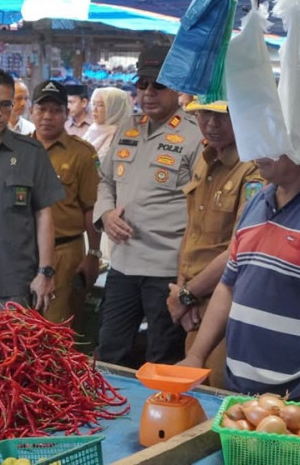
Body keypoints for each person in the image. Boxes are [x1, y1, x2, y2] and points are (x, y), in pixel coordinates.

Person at [181, 97, 300, 399]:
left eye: (269, 132)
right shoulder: (259, 201)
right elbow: (229, 285)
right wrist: (197, 355)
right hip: (241, 392)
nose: (255, 145)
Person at [94, 45, 204, 367]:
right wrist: (105, 214)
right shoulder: (127, 127)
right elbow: (105, 182)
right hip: (123, 266)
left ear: (176, 87)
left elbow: (199, 207)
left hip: (166, 272)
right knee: (110, 350)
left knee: (162, 357)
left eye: (158, 85)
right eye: (142, 84)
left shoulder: (195, 135)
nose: (148, 93)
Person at [165, 99, 262, 388]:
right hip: (193, 301)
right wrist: (182, 291)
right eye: (204, 113)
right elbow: (192, 229)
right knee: (194, 389)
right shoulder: (205, 158)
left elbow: (239, 248)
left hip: (225, 300)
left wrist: (186, 294)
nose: (211, 123)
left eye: (222, 115)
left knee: (216, 392)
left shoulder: (252, 169)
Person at [0, 69, 64, 313]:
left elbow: (44, 214)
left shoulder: (30, 152)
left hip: (15, 281)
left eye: (4, 104)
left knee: (11, 350)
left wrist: (45, 271)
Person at [31, 80, 101, 325]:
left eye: (56, 110)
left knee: (57, 328)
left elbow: (90, 207)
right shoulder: (19, 151)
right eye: (41, 109)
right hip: (24, 252)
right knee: (19, 327)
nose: (48, 116)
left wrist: (93, 253)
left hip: (65, 254)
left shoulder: (82, 153)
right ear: (31, 112)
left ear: (66, 114)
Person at [84, 87, 133, 162]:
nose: (94, 109)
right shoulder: (92, 129)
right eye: (93, 104)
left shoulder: (120, 135)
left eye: (100, 105)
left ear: (115, 108)